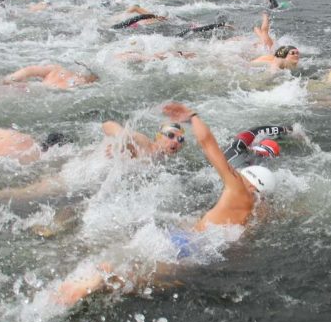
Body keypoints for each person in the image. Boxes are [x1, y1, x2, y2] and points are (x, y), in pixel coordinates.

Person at [54, 103, 278, 306]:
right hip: (204, 254)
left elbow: (209, 145)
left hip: (184, 242)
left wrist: (193, 117)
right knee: (144, 281)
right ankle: (99, 279)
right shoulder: (260, 211)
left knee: (131, 270)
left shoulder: (239, 188)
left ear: (249, 181)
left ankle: (97, 277)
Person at [101, 119, 186, 160]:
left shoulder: (162, 158)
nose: (176, 141)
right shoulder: (144, 143)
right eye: (170, 135)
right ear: (158, 137)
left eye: (180, 139)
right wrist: (120, 141)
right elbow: (107, 125)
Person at [222, 124, 291, 169]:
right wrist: (284, 129)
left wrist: (284, 129)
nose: (257, 156)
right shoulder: (238, 145)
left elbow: (255, 131)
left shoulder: (237, 146)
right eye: (259, 154)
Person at [3, 63, 99, 90]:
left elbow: (28, 70)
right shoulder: (84, 84)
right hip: (41, 93)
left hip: (30, 88)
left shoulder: (56, 69)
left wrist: (11, 78)